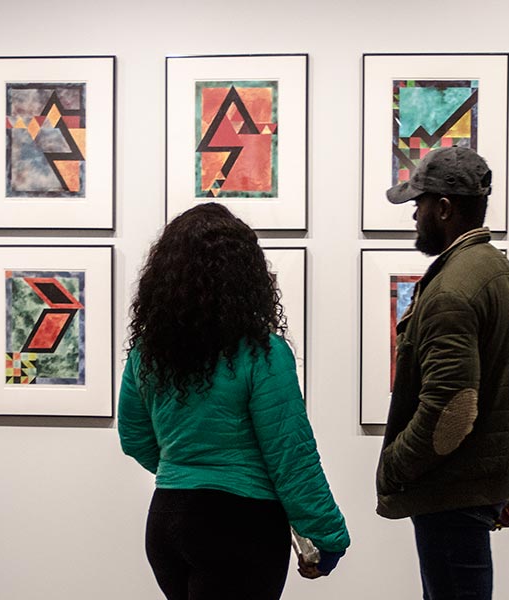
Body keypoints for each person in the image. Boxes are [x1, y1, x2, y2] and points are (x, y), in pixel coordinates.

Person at [118, 202, 349, 600]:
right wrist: (328, 535)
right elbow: (291, 455)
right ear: (247, 276)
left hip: (167, 521)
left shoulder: (148, 353)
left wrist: (187, 472)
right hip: (240, 525)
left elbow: (134, 436)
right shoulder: (264, 354)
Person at [375, 147, 509, 600]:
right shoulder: (497, 270)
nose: (413, 216)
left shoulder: (453, 287)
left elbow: (453, 408)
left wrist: (395, 467)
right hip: (479, 483)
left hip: (452, 489)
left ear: (443, 208)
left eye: (417, 204)